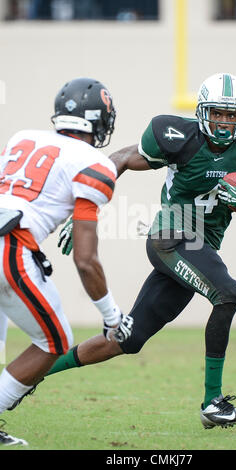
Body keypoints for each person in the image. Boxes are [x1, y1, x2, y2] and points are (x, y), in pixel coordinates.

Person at [11, 72, 236, 429]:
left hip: (201, 249)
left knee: (128, 339)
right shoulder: (176, 137)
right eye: (217, 112)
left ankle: (28, 377)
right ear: (203, 111)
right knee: (229, 294)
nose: (223, 121)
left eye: (231, 115)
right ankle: (212, 403)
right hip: (171, 236)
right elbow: (122, 157)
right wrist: (81, 207)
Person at [0, 77, 133, 445]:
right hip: (11, 246)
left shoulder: (22, 138)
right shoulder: (94, 163)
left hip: (8, 232)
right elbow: (86, 259)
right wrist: (111, 316)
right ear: (101, 121)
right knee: (54, 341)